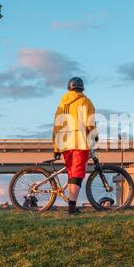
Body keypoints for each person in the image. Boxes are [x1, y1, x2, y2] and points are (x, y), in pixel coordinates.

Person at [52, 77, 98, 215]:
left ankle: (71, 205)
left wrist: (56, 147)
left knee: (72, 173)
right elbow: (90, 123)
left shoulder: (62, 104)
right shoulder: (85, 101)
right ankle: (71, 208)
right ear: (82, 88)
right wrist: (95, 137)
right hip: (79, 141)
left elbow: (56, 126)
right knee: (77, 174)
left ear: (69, 88)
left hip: (65, 142)